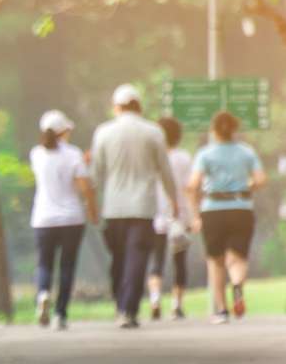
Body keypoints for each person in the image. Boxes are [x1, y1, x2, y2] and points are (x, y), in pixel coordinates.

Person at [91, 84, 177, 329]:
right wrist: (173, 199)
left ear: (116, 107)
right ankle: (128, 309)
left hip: (113, 207)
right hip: (142, 207)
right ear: (139, 105)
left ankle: (121, 302)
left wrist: (88, 202)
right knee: (137, 258)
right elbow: (165, 170)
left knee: (119, 258)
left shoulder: (103, 132)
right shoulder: (153, 132)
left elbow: (96, 173)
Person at [187, 111, 265, 324]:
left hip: (212, 209)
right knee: (238, 258)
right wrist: (247, 187)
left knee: (216, 261)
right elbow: (260, 179)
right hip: (241, 208)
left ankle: (221, 310)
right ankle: (237, 285)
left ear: (214, 130)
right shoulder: (246, 152)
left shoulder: (205, 154)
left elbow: (193, 186)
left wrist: (195, 215)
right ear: (234, 130)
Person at [29, 110, 98, 330]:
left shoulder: (36, 154)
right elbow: (84, 187)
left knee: (44, 263)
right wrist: (92, 209)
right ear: (64, 131)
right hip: (71, 218)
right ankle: (60, 314)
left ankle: (43, 294)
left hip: (43, 218)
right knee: (67, 266)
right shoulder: (73, 154)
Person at [148, 117, 192, 321]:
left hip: (156, 214)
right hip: (179, 216)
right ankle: (177, 305)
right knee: (179, 261)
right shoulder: (183, 158)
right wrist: (192, 216)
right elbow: (188, 188)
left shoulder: (153, 157)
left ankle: (155, 299)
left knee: (156, 259)